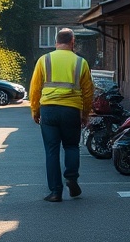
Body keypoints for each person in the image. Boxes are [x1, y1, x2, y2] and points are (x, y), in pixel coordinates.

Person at [29, 28, 94, 202]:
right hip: (71, 110)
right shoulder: (81, 62)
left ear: (56, 42)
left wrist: (35, 110)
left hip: (49, 110)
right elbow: (88, 92)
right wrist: (85, 113)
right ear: (73, 42)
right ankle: (71, 178)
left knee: (51, 151)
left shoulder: (44, 60)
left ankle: (55, 192)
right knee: (71, 147)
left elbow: (35, 89)